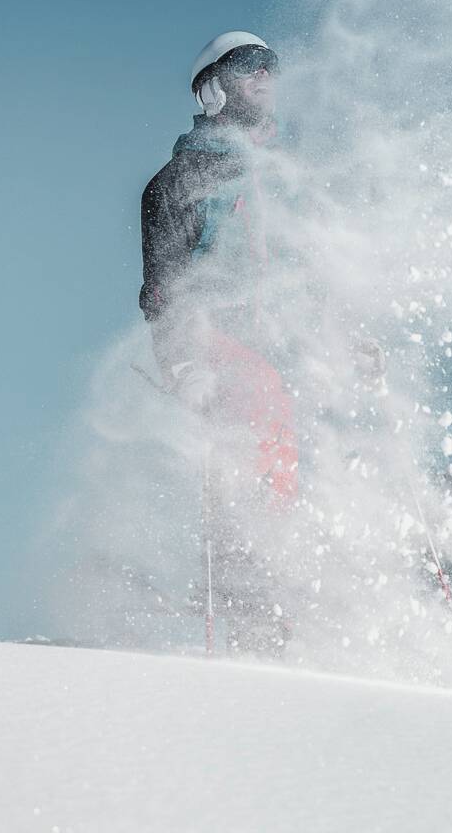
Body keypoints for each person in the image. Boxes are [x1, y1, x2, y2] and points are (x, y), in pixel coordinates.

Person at [140, 32, 299, 652]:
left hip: (274, 343)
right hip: (211, 342)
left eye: (271, 65)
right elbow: (163, 293)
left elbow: (313, 271)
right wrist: (184, 365)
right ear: (213, 88)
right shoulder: (180, 181)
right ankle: (250, 605)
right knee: (258, 418)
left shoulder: (280, 179)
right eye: (246, 65)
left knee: (310, 447)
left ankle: (297, 596)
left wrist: (351, 341)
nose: (264, 74)